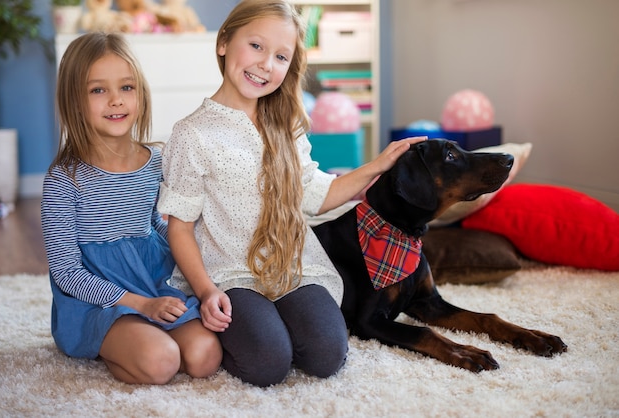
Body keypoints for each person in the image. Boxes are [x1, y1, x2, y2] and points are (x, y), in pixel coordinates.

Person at [157, 0, 425, 387]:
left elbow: (318, 195)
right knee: (268, 364)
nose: (266, 64)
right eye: (256, 46)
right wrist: (206, 290)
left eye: (281, 56)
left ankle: (274, 322)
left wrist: (377, 165)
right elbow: (179, 228)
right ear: (224, 43)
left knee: (327, 355)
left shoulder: (286, 126)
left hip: (290, 269)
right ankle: (241, 328)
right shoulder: (191, 134)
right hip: (229, 274)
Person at [41, 32, 222, 385]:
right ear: (74, 101)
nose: (115, 101)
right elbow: (66, 272)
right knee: (161, 362)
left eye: (126, 87)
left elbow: (154, 224)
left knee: (205, 357)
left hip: (150, 281)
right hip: (98, 298)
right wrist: (139, 305)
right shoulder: (63, 180)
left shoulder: (156, 161)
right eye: (98, 90)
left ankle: (143, 339)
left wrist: (193, 274)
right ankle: (115, 345)